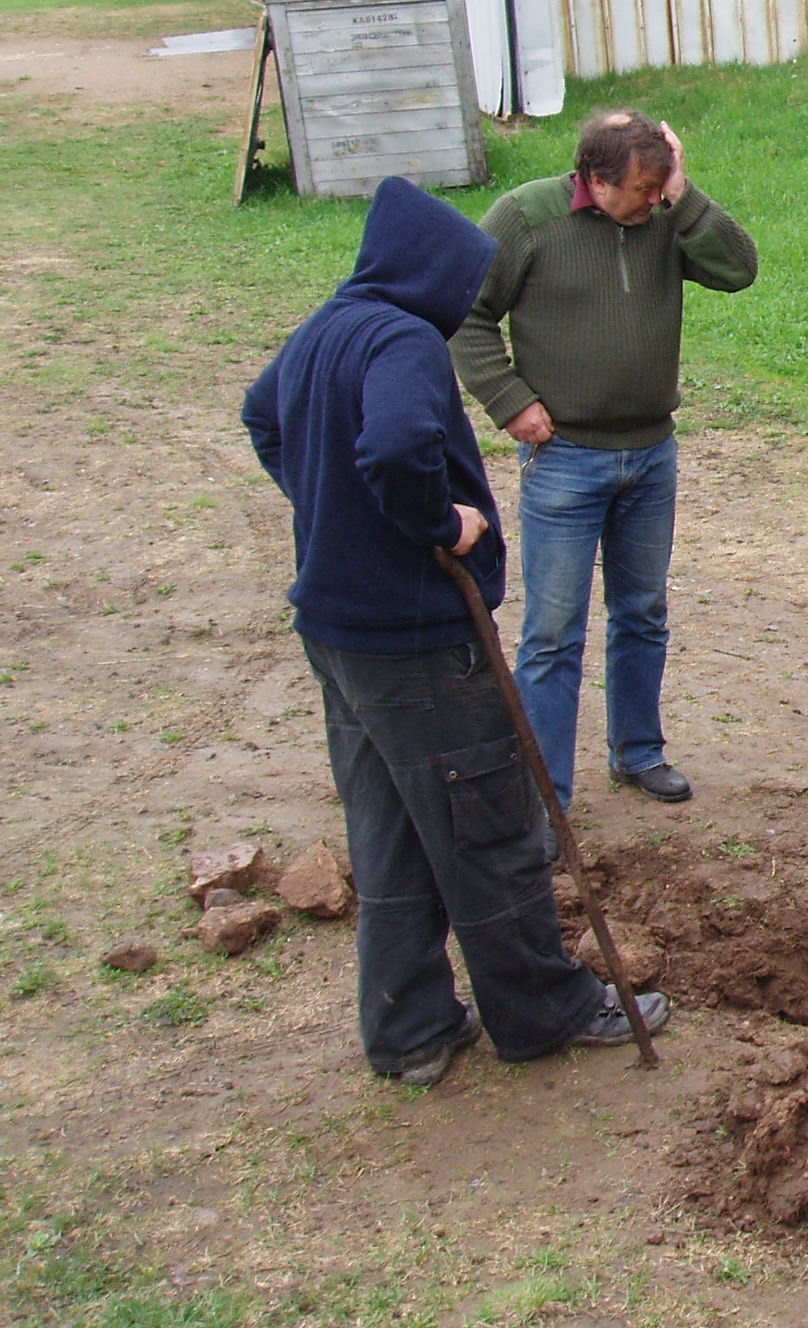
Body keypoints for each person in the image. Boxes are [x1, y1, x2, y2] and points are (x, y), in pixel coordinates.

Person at [242, 177, 671, 1087]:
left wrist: (332, 515)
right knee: (488, 826)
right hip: (414, 640)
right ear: (429, 272)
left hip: (337, 633)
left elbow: (262, 416)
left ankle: (411, 1030)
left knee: (390, 829)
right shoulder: (400, 338)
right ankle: (540, 1008)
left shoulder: (328, 326)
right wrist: (440, 524)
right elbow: (397, 447)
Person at [450, 110, 759, 805]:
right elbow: (465, 311)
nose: (653, 202)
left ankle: (638, 753)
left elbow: (738, 270)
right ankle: (544, 795)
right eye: (644, 190)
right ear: (595, 180)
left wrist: (682, 193)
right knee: (553, 634)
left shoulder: (665, 218)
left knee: (642, 612)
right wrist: (508, 399)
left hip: (650, 454)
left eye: (661, 188)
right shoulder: (526, 218)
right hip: (565, 460)